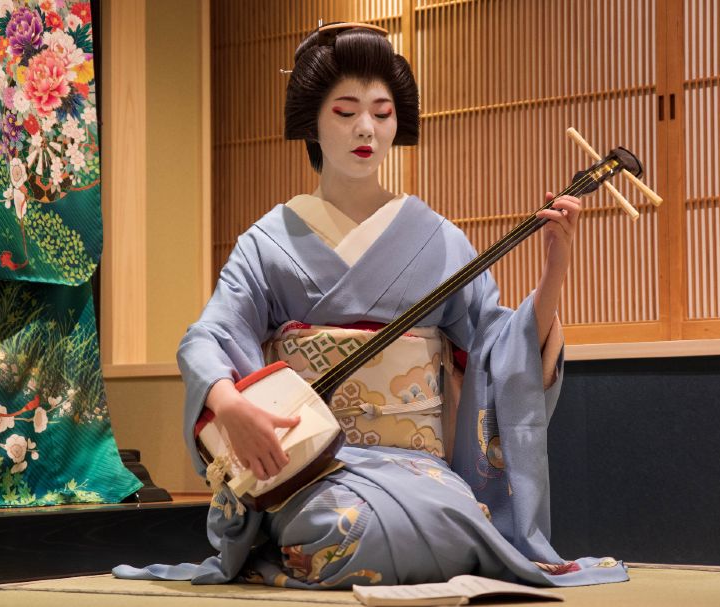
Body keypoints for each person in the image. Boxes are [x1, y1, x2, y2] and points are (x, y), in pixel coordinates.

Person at [114, 22, 627, 588]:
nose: (367, 128)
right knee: (346, 529)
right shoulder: (267, 243)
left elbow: (501, 347)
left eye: (382, 113)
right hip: (311, 465)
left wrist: (555, 271)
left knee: (457, 525)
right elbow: (207, 337)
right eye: (346, 111)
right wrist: (230, 406)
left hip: (416, 465)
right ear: (313, 120)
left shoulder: (438, 239)